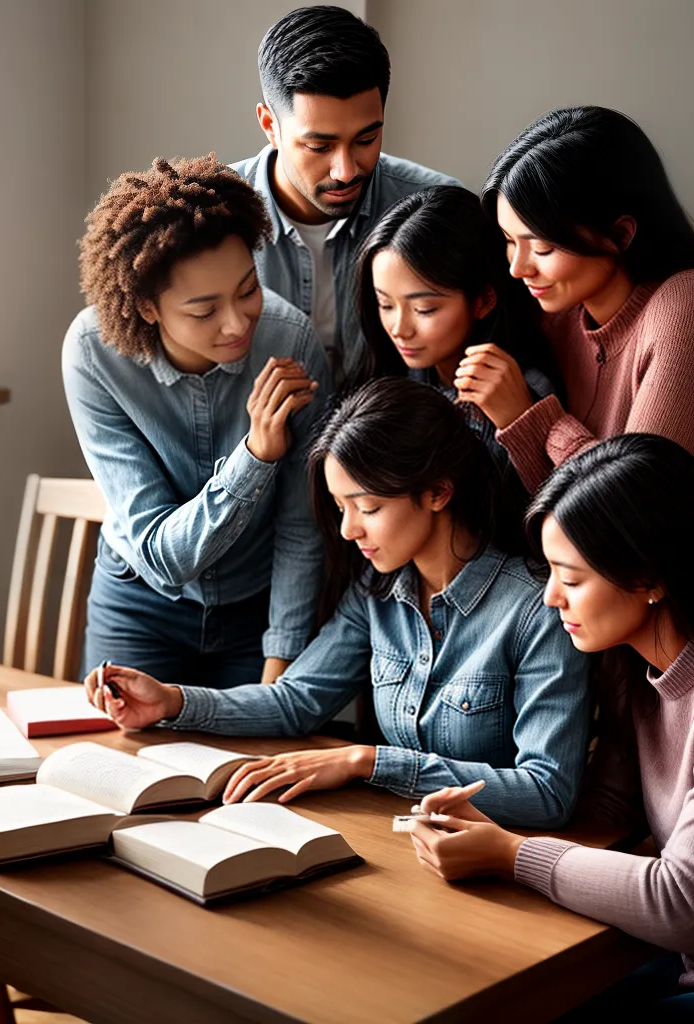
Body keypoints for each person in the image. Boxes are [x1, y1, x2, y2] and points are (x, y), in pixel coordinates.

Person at [408, 434, 694, 1024]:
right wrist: (481, 823)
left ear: (650, 577)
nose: (550, 599)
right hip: (692, 962)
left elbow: (682, 904)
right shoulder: (641, 665)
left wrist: (510, 855)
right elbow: (608, 814)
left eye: (570, 580)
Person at [84, 379, 592, 828]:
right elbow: (296, 701)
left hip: (500, 867)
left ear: (437, 492)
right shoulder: (377, 590)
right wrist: (171, 701)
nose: (349, 530)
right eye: (341, 507)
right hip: (396, 837)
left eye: (367, 507)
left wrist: (368, 762)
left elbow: (547, 794)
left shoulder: (537, 607)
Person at [458, 105, 694, 604]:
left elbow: (632, 520)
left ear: (621, 235)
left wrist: (533, 419)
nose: (518, 268)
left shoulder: (693, 308)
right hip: (625, 626)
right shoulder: (560, 315)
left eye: (539, 248)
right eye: (508, 242)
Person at [63, 154, 330, 687]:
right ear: (146, 308)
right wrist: (254, 457)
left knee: (247, 769)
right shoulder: (94, 354)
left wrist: (280, 656)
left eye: (248, 289)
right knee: (119, 761)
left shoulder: (291, 342)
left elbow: (302, 526)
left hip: (256, 610)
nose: (237, 323)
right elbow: (162, 556)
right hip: (139, 607)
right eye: (204, 311)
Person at [231, 5, 458, 388]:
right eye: (319, 146)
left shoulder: (437, 209)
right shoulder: (208, 219)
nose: (347, 171)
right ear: (270, 125)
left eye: (367, 139)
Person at [355, 184, 558, 468]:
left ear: (484, 300)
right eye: (386, 304)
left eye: (424, 309)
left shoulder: (525, 389)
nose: (399, 329)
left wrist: (517, 421)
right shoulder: (393, 372)